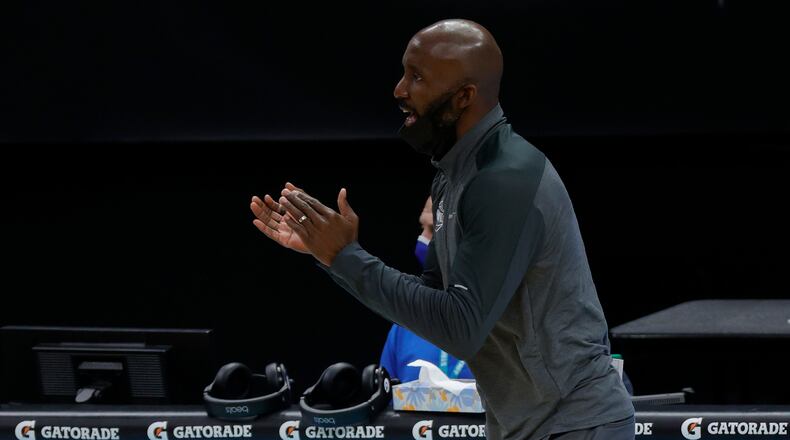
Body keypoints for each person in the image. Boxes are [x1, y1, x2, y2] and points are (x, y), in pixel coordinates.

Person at [250, 19, 634, 440]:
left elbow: (459, 329)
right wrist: (333, 256)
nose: (399, 90)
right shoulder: (453, 175)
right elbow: (432, 302)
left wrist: (346, 257)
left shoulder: (504, 178)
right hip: (523, 424)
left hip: (577, 423)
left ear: (464, 97)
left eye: (416, 77)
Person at [380, 196, 474, 383]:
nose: (422, 239)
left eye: (432, 230)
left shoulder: (518, 324)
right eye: (422, 228)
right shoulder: (406, 324)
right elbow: (386, 407)